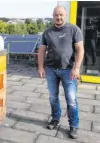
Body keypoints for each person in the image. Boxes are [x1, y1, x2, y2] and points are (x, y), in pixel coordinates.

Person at [38, 6, 84, 139]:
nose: (58, 17)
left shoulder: (74, 29)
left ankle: (73, 125)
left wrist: (76, 68)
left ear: (65, 15)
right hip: (51, 69)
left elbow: (80, 49)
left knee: (71, 100)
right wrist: (41, 67)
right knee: (53, 97)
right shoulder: (47, 32)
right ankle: (55, 119)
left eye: (61, 15)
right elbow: (41, 50)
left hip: (69, 70)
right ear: (53, 16)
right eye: (56, 15)